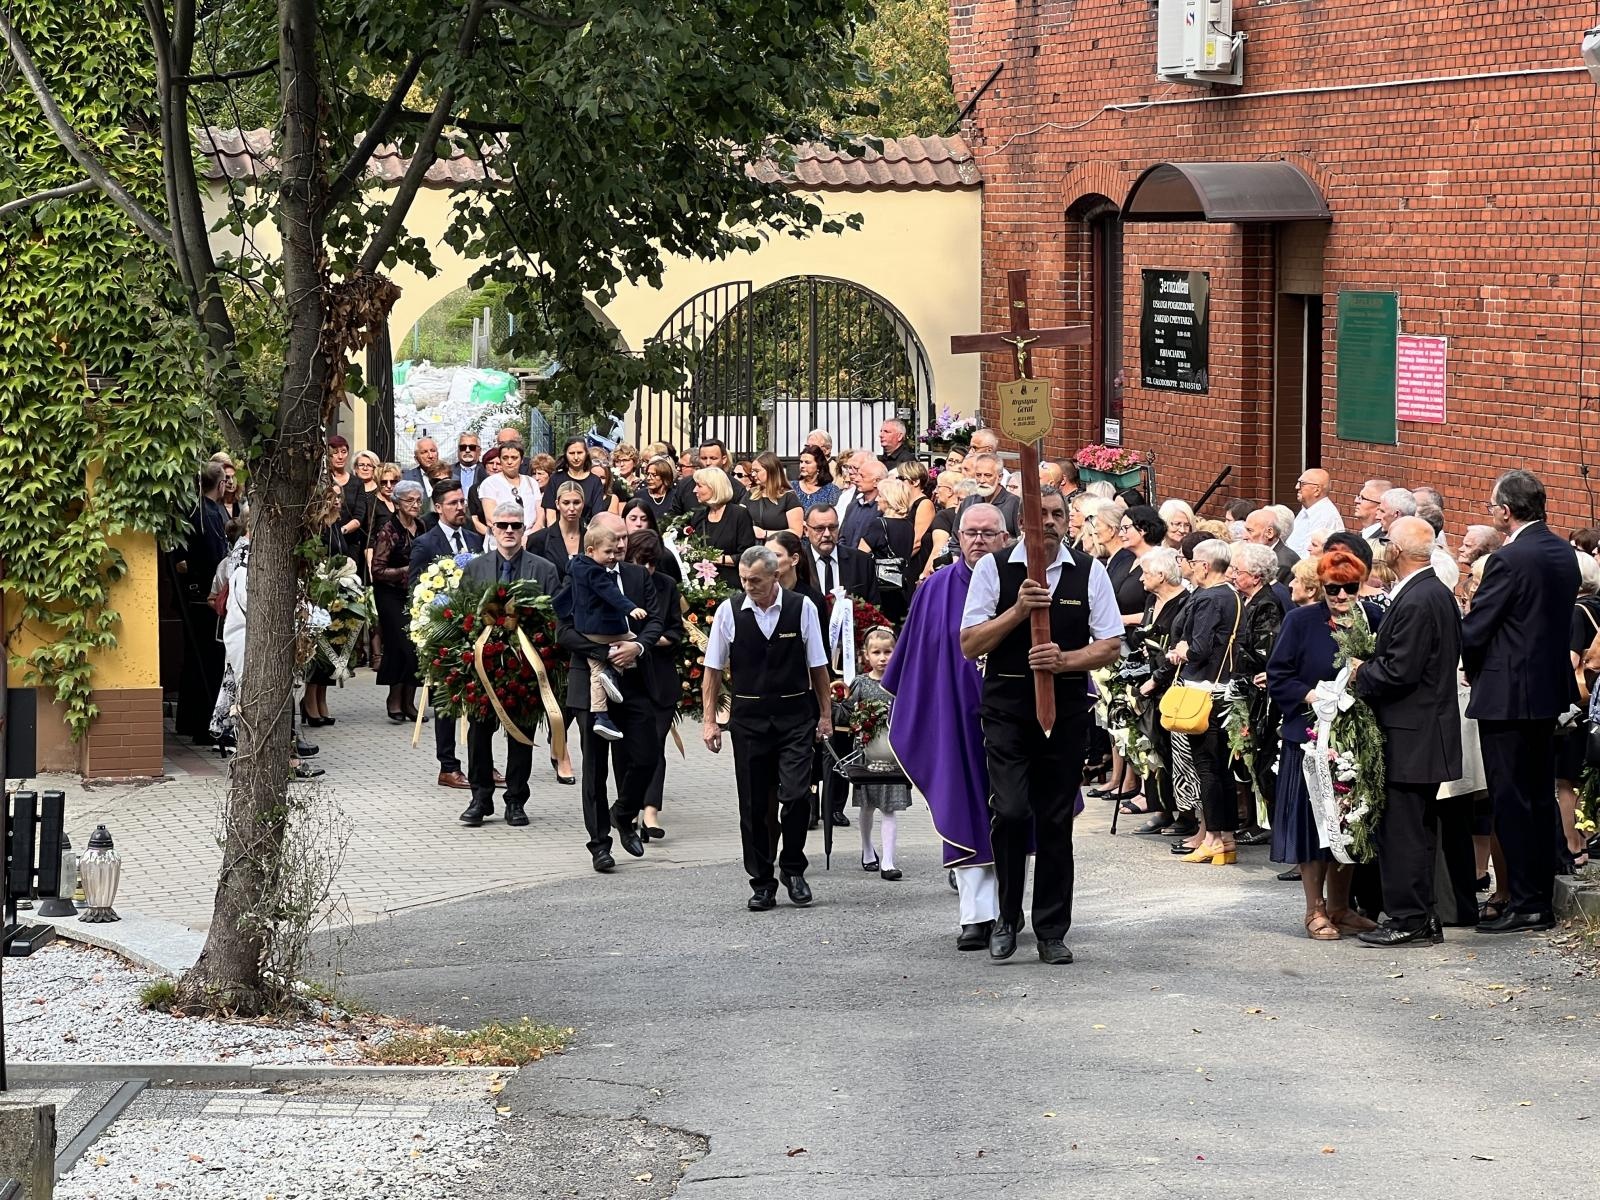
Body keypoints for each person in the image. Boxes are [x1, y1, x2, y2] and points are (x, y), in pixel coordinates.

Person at [961, 487, 1122, 964]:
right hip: (1008, 709)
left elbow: (1111, 643)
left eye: (1057, 514)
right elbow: (970, 643)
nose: (1049, 521)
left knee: (1055, 821)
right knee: (1010, 812)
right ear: (1023, 521)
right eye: (1040, 513)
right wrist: (1018, 611)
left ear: (1068, 521)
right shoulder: (995, 567)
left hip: (1066, 711)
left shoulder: (1089, 572)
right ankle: (1007, 917)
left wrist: (1066, 659)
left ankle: (1052, 928)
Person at [885, 503, 1009, 948]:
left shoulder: (1019, 584)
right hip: (955, 721)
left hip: (1011, 722)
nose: (978, 540)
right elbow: (913, 662)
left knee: (1011, 814)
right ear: (957, 537)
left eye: (988, 533)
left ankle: (1007, 913)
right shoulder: (934, 589)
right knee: (964, 809)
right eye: (970, 533)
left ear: (1005, 538)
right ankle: (976, 917)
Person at [1462, 470, 1582, 932]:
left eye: (1493, 507)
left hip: (1508, 693)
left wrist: (1463, 654)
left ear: (1506, 512)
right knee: (1536, 795)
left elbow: (1478, 627)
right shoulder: (1562, 553)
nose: (1493, 514)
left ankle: (1527, 902)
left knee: (1511, 800)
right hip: (1546, 689)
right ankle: (1538, 897)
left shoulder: (1509, 558)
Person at [1348, 516, 1465, 946]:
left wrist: (1361, 671)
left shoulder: (1420, 597)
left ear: (1396, 552)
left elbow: (1400, 670)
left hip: (1412, 732)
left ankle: (1408, 918)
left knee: (1404, 832)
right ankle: (1423, 915)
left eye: (1386, 544)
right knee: (1414, 828)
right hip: (1420, 729)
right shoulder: (1429, 591)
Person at [702, 545, 833, 911]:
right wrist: (711, 721)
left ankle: (792, 867)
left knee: (794, 796)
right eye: (743, 580)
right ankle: (762, 881)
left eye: (755, 580)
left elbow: (819, 666)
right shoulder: (729, 610)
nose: (748, 586)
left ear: (776, 576)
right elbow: (712, 670)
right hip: (748, 720)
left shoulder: (801, 607)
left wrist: (825, 716)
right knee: (755, 805)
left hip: (794, 716)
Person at [1265, 547, 1385, 939]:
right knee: (1311, 824)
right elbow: (1279, 674)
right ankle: (1314, 909)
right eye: (1333, 589)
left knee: (1349, 819)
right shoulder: (1301, 621)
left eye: (1349, 588)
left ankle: (1341, 906)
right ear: (1321, 587)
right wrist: (1313, 697)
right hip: (1311, 737)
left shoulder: (1372, 619)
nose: (1341, 596)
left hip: (1356, 738)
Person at [459, 503, 562, 827]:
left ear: (524, 529)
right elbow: (462, 617)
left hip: (524, 670)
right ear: (492, 528)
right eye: (502, 525)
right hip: (483, 668)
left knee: (521, 736)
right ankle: (480, 797)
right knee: (478, 734)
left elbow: (554, 618)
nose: (508, 531)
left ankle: (516, 799)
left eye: (515, 525)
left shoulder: (543, 570)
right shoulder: (476, 569)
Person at [1165, 538, 1244, 866]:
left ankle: (1213, 837)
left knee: (1208, 767)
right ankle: (1224, 839)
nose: (1191, 566)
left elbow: (1198, 647)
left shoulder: (1210, 598)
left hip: (1204, 690)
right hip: (1225, 688)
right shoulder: (1234, 596)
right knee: (1221, 768)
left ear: (1206, 565)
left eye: (1194, 561)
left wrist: (1179, 650)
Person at [408, 479, 487, 790]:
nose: (460, 508)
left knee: (480, 699)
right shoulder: (425, 544)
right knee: (447, 700)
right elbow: (415, 589)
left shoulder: (474, 540)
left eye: (462, 502)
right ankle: (448, 766)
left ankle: (482, 764)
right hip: (443, 632)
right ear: (438, 508)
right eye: (453, 503)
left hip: (474, 630)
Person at [555, 522, 648, 743]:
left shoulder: (577, 567)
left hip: (586, 629)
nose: (614, 557)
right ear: (590, 551)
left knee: (596, 671)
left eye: (615, 552)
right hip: (602, 629)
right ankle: (614, 672)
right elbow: (611, 594)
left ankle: (602, 716)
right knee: (633, 643)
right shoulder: (596, 572)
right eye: (608, 552)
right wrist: (631, 608)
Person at [624, 529, 684, 842]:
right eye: (640, 562)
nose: (646, 569)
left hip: (660, 676)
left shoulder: (667, 585)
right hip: (629, 677)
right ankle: (630, 809)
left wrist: (644, 642)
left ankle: (650, 811)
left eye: (651, 563)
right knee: (634, 747)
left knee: (655, 744)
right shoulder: (618, 584)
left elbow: (675, 630)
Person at [838, 626, 912, 879]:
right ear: (865, 655)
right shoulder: (860, 683)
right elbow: (846, 715)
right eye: (876, 652)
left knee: (889, 808)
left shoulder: (903, 682)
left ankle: (889, 862)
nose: (883, 658)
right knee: (868, 806)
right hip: (866, 756)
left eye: (888, 652)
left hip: (893, 755)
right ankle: (868, 849)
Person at [1132, 547, 1192, 835]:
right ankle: (1161, 808)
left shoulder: (1184, 603)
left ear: (1161, 575)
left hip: (1170, 684)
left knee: (1174, 750)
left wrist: (1156, 679)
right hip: (1147, 682)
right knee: (1150, 746)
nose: (1141, 578)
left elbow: (1179, 646)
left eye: (1145, 573)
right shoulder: (1150, 600)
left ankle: (1185, 812)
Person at [1230, 541, 1286, 841]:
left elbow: (1264, 648)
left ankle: (1271, 827)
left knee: (1261, 759)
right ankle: (1257, 821)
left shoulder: (1266, 603)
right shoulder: (1248, 600)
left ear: (1256, 575)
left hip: (1260, 692)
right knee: (1248, 760)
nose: (1233, 575)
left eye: (1238, 571)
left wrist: (1240, 658)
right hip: (1247, 688)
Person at [371, 479, 425, 723]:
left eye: (418, 500)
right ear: (397, 502)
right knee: (400, 645)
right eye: (409, 500)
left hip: (414, 593)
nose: (415, 504)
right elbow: (378, 570)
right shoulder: (388, 530)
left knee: (416, 645)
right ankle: (394, 699)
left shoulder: (421, 526)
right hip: (389, 594)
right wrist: (408, 569)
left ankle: (409, 702)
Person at [689, 467, 758, 589]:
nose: (694, 490)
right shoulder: (698, 515)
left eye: (699, 486)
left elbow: (747, 555)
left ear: (714, 487)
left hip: (730, 584)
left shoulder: (739, 514)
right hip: (702, 585)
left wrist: (716, 559)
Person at [803, 504, 881, 607]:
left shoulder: (861, 562)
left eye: (832, 528)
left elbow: (875, 607)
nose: (827, 534)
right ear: (806, 530)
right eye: (819, 528)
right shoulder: (798, 564)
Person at [478, 440, 541, 536]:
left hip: (531, 539)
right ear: (500, 459)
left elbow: (540, 516)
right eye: (505, 458)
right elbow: (491, 519)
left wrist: (530, 537)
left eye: (514, 458)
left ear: (522, 460)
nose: (509, 462)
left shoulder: (531, 483)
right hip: (502, 539)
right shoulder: (489, 483)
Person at [539, 438, 607, 526]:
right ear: (565, 455)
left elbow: (597, 515)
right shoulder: (555, 479)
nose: (576, 457)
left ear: (586, 454)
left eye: (579, 453)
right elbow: (550, 514)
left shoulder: (594, 481)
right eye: (571, 453)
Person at [958, 453, 1020, 536]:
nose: (982, 480)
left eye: (988, 475)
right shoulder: (968, 502)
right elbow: (956, 540)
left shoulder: (1014, 504)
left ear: (1000, 477)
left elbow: (1022, 540)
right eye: (978, 475)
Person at [621, 498, 681, 583]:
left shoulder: (665, 556)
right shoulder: (619, 553)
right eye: (633, 519)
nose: (638, 524)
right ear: (623, 520)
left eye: (644, 519)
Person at [765, 530, 825, 615]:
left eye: (776, 555)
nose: (768, 561)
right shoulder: (760, 595)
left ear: (794, 559)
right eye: (765, 556)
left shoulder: (813, 599)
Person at [745, 451, 803, 537]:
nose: (753, 474)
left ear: (771, 471)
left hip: (778, 548)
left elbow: (797, 532)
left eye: (757, 471)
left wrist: (765, 534)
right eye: (752, 471)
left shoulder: (789, 497)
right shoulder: (750, 494)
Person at [920, 470, 965, 580]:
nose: (935, 491)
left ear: (950, 491)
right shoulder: (965, 515)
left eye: (938, 486)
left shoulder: (943, 516)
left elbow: (938, 550)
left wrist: (924, 577)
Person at [1287, 468, 1344, 554]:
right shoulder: (1306, 510)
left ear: (1317, 490)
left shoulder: (1325, 516)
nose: (1297, 487)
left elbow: (1311, 555)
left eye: (1302, 484)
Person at [1244, 506, 1300, 585]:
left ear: (1269, 533)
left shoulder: (1282, 564)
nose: (1244, 536)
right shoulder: (1265, 555)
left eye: (1250, 531)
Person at [794, 446, 840, 514]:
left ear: (818, 465)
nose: (802, 466)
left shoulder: (831, 490)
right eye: (801, 462)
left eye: (807, 462)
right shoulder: (791, 487)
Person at [634, 457, 677, 524]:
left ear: (664, 476)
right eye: (648, 474)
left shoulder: (675, 496)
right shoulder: (640, 495)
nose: (648, 478)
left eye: (654, 475)